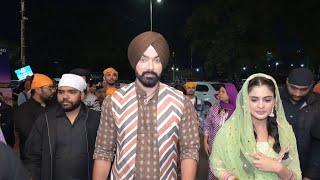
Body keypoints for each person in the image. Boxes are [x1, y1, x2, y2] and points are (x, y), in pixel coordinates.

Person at [93, 31, 200, 180]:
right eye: (143, 60)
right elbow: (103, 152)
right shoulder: (114, 101)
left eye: (157, 60)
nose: (150, 67)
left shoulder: (181, 102)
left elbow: (189, 150)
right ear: (134, 61)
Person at [210, 73, 301, 179]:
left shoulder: (285, 132)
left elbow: (296, 175)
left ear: (274, 102)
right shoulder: (230, 131)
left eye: (267, 100)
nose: (261, 105)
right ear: (245, 101)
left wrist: (278, 168)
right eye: (254, 100)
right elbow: (216, 165)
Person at [24, 73, 101, 180]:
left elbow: (105, 156)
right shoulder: (45, 120)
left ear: (82, 95)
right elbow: (32, 157)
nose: (65, 96)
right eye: (61, 92)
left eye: (71, 92)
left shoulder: (97, 119)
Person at [281, 68, 320, 179]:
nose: (297, 93)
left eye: (303, 90)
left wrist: (310, 175)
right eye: (293, 88)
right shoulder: (274, 99)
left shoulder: (317, 104)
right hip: (276, 167)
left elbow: (318, 145)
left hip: (307, 167)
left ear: (311, 85)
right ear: (287, 82)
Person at [14, 73, 55, 159]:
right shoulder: (23, 110)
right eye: (50, 88)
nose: (53, 91)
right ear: (38, 89)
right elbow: (30, 136)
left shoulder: (54, 106)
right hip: (32, 162)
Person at [203, 83, 238, 180]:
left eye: (223, 91)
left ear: (230, 93)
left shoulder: (238, 111)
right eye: (220, 91)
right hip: (214, 147)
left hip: (231, 149)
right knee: (214, 171)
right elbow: (207, 124)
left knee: (228, 173)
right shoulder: (214, 108)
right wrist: (205, 141)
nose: (220, 93)